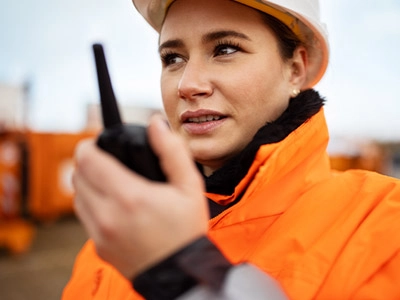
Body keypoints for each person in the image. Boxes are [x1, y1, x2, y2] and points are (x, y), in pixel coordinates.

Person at [62, 0, 400, 299]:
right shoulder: (118, 237)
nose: (188, 84)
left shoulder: (384, 224)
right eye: (173, 58)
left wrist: (184, 278)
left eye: (225, 49)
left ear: (295, 69)